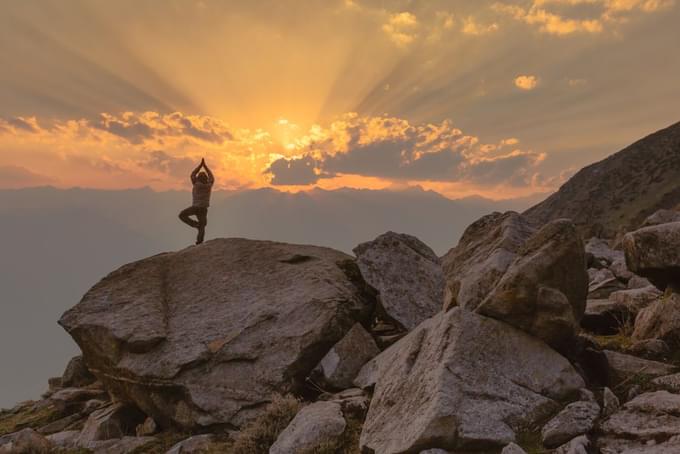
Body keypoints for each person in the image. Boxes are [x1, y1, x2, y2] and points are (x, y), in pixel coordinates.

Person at [179, 158, 214, 244]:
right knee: (202, 226)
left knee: (182, 215)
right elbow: (211, 176)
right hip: (203, 209)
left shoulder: (196, 184)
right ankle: (199, 242)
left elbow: (192, 174)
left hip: (195, 207)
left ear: (198, 178)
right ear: (206, 179)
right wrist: (205, 166)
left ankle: (195, 224)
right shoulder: (209, 185)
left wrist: (200, 165)